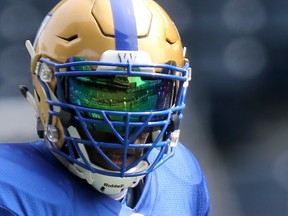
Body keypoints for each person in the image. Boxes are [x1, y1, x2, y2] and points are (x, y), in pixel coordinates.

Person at [0, 0, 210, 215]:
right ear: (48, 89)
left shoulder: (183, 180)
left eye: (142, 98)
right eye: (100, 96)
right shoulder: (9, 191)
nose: (123, 126)